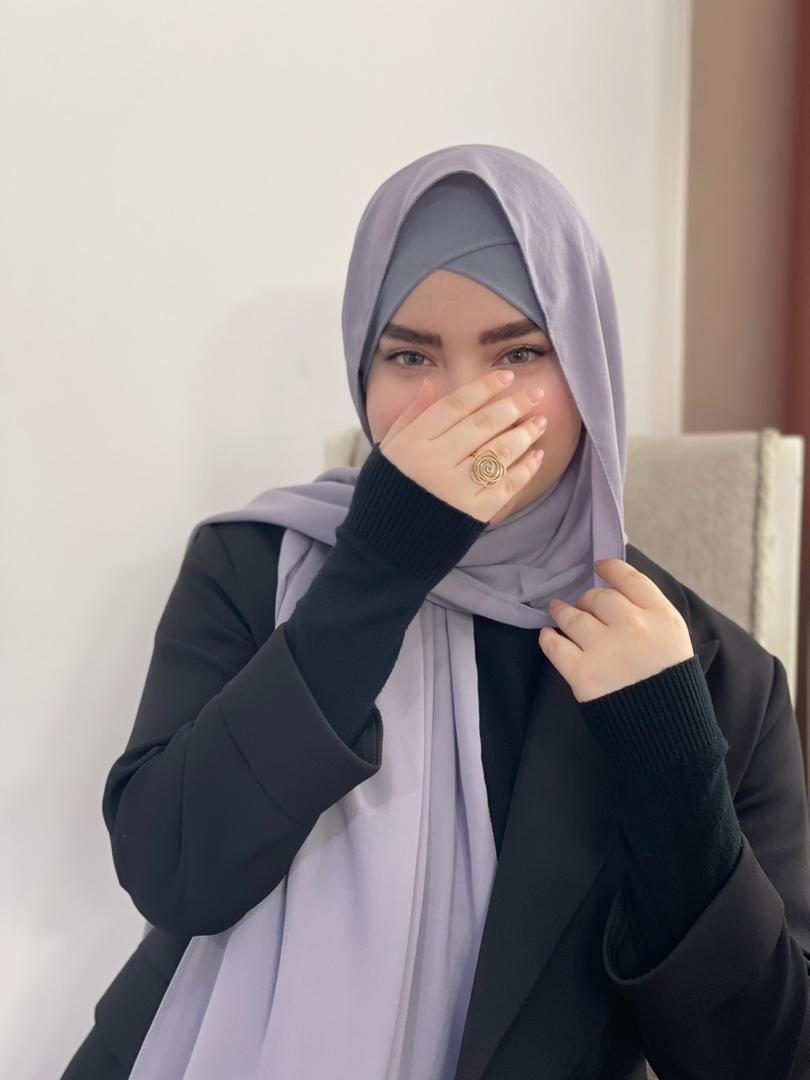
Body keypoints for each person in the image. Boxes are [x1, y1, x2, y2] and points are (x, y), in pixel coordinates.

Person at [61, 145, 810, 1079]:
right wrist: (377, 573)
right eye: (411, 354)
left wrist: (670, 757)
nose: (462, 402)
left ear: (588, 369)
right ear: (362, 371)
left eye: (520, 353)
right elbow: (175, 875)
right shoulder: (253, 563)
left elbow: (764, 1060)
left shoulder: (703, 671)